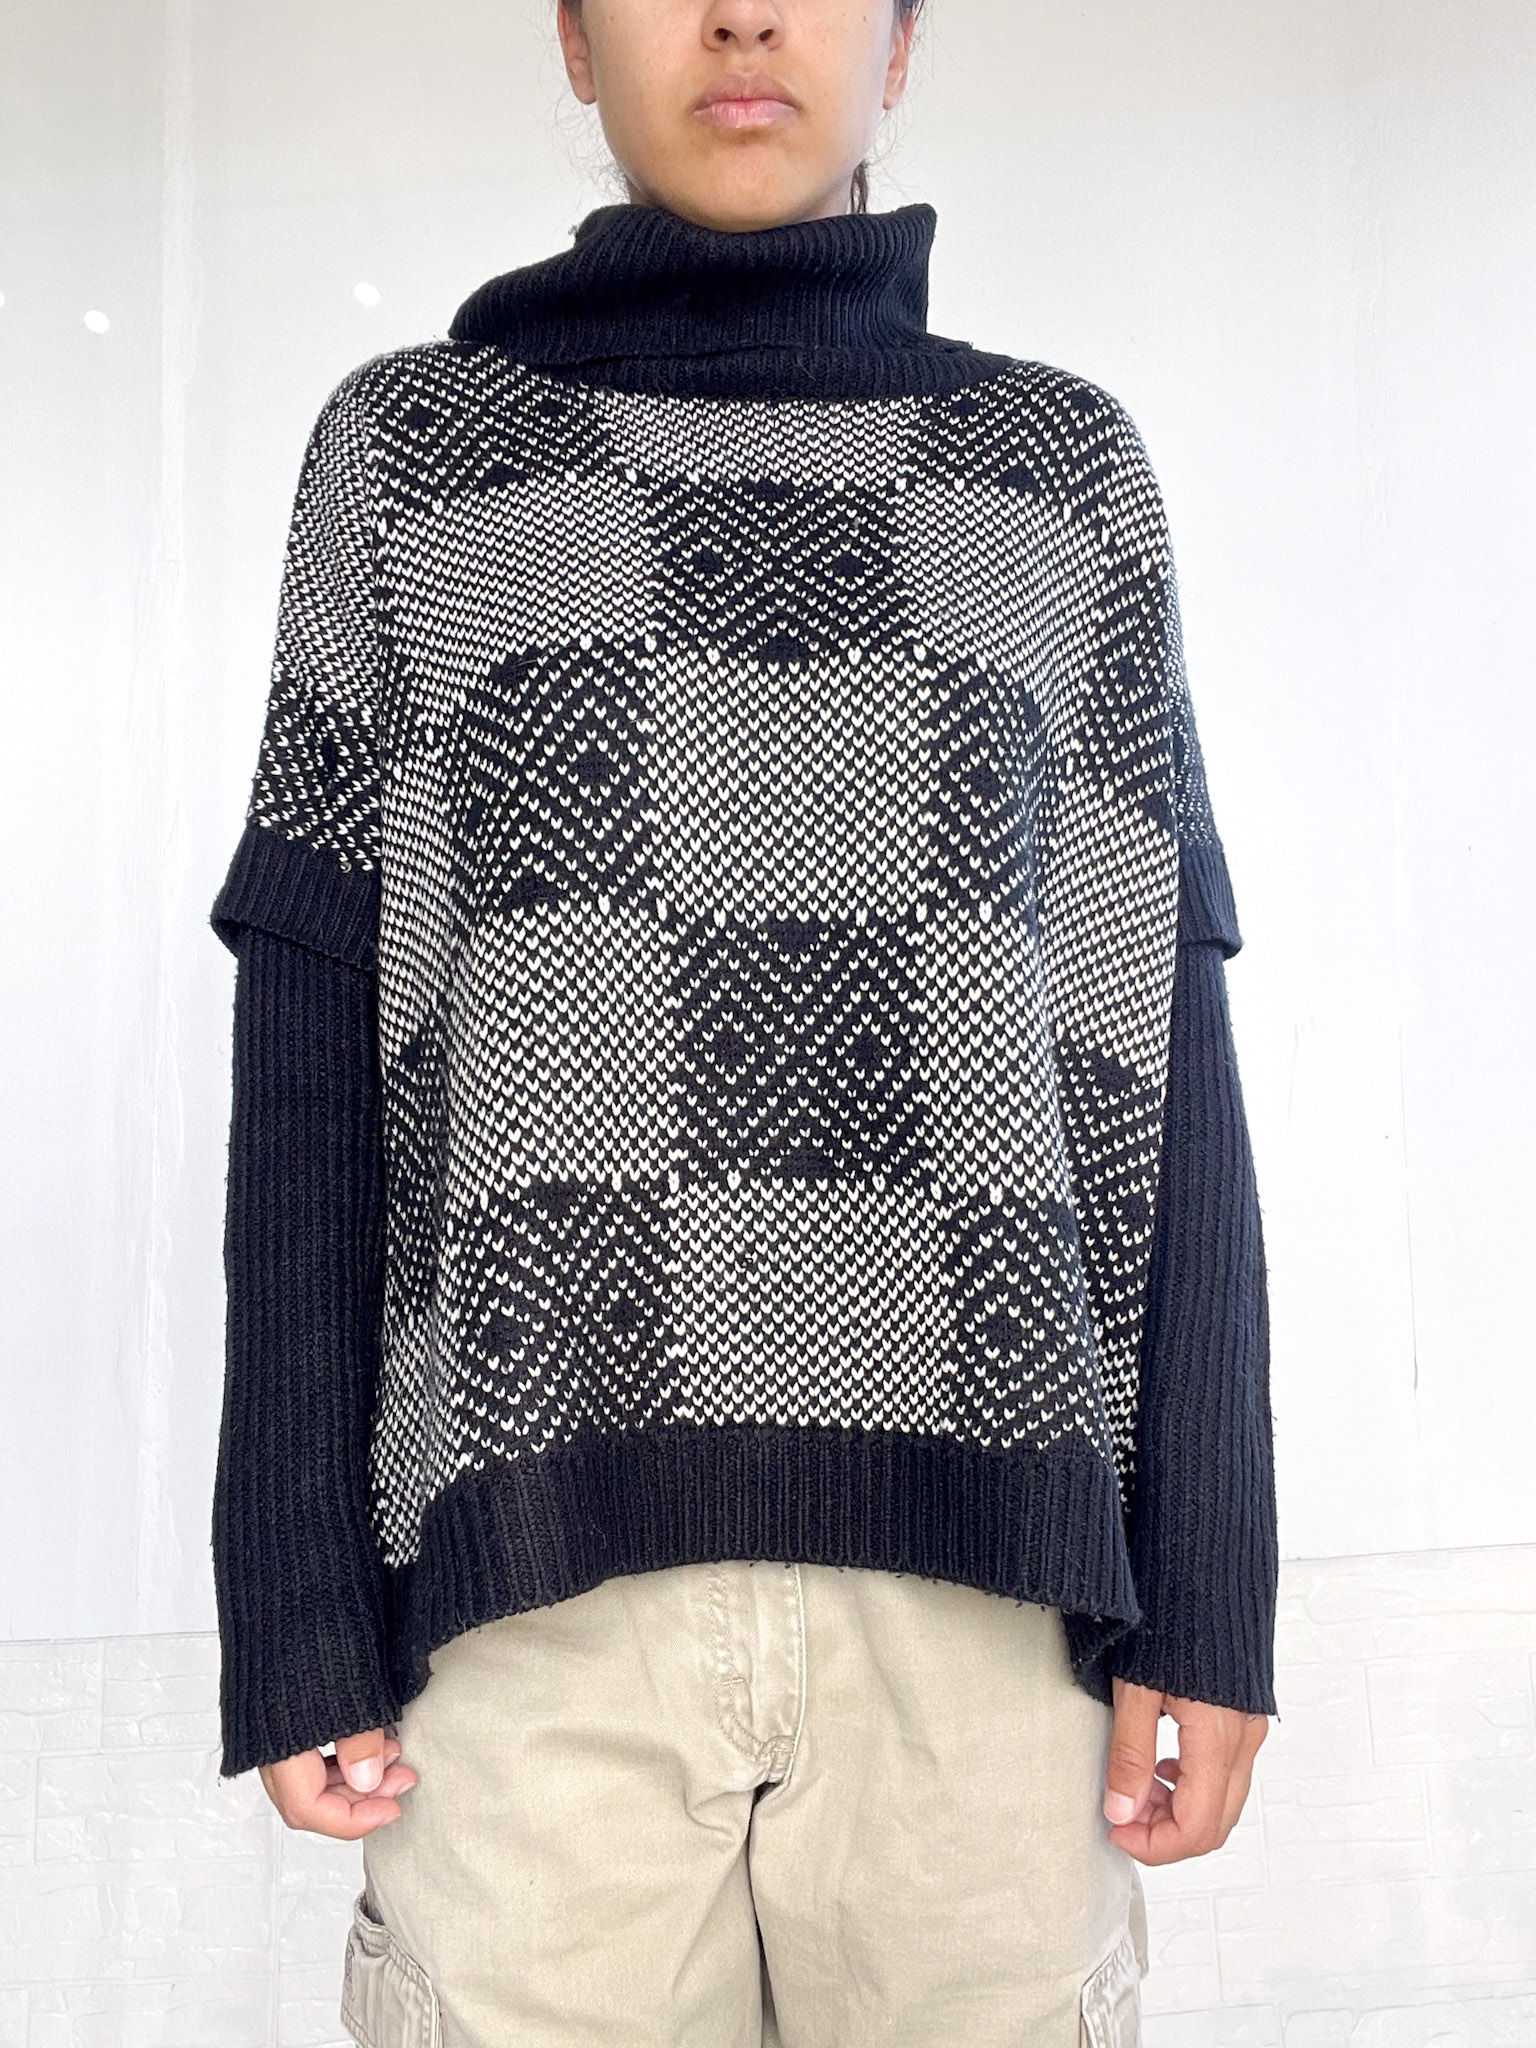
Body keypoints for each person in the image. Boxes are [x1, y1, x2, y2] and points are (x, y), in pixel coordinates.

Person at [207, 1, 1278, 2041]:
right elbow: (317, 1042)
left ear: (903, 41)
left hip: (990, 1625)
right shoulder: (410, 457)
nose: (742, 16)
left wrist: (1212, 1588)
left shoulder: (1061, 476)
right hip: (527, 1605)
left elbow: (1161, 1034)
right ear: (573, 35)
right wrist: (294, 1597)